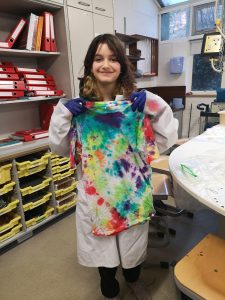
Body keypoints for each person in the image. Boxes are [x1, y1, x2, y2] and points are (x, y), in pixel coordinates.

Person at [49, 33, 178, 300]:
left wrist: (153, 105)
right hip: (97, 195)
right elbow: (60, 148)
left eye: (112, 58)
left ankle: (133, 278)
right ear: (90, 65)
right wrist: (64, 114)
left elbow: (165, 139)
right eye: (98, 58)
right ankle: (109, 286)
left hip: (131, 193)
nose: (105, 64)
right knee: (104, 259)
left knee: (132, 254)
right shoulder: (79, 109)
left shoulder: (137, 104)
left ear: (122, 65)